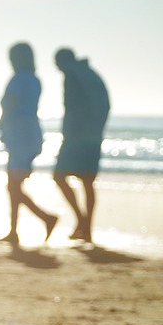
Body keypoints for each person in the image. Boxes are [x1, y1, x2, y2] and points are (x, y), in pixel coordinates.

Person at [0, 42, 58, 245]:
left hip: (19, 136)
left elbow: (9, 108)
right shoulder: (35, 79)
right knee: (14, 185)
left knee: (13, 185)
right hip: (31, 134)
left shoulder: (18, 80)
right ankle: (18, 230)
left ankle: (41, 220)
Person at [52, 48, 110, 243]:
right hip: (93, 136)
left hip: (76, 136)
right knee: (87, 182)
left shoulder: (71, 74)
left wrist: (69, 133)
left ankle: (81, 221)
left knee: (59, 176)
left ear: (62, 61)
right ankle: (86, 228)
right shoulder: (90, 74)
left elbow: (72, 106)